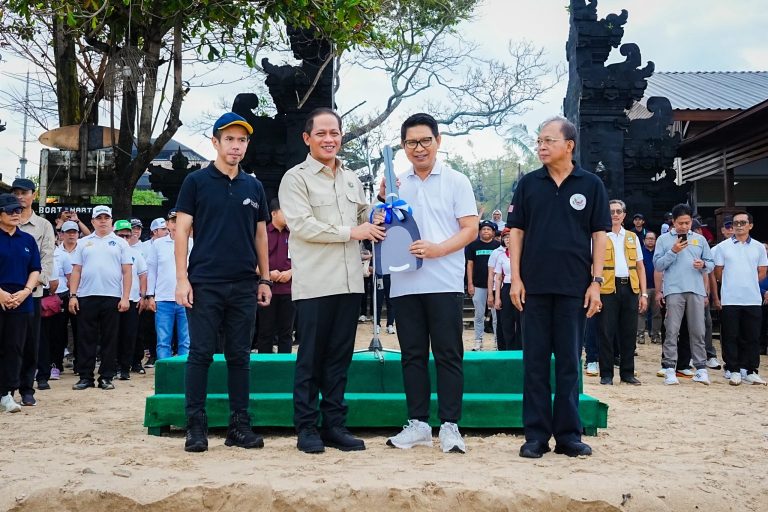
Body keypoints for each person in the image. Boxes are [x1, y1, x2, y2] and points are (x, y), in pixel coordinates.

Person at [279, 107, 384, 454]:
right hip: (314, 284)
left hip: (350, 283)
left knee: (340, 359)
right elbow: (303, 224)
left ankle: (334, 425)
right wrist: (352, 231)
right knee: (310, 358)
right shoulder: (295, 178)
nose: (329, 139)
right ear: (307, 138)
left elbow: (363, 215)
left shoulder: (351, 177)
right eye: (321, 133)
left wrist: (381, 204)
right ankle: (306, 428)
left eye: (334, 133)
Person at [507, 116, 609, 459]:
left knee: (568, 362)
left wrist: (596, 282)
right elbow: (517, 232)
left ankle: (568, 435)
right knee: (534, 362)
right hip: (533, 288)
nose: (541, 146)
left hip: (573, 288)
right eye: (538, 141)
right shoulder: (528, 185)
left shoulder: (591, 184)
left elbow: (599, 235)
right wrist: (516, 278)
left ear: (569, 145)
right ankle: (535, 435)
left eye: (548, 140)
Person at [176, 112, 272, 453]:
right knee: (200, 354)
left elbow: (261, 235)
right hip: (204, 283)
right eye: (229, 139)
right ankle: (195, 426)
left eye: (242, 139)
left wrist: (264, 278)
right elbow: (182, 231)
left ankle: (239, 426)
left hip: (244, 284)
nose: (236, 145)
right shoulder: (196, 183)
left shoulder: (254, 186)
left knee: (239, 356)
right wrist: (182, 279)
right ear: (215, 142)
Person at [383, 113, 478, 455]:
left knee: (449, 354)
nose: (419, 148)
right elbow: (388, 228)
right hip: (404, 282)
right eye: (411, 143)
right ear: (403, 147)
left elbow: (469, 228)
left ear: (438, 141)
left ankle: (450, 425)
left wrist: (438, 249)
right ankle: (419, 423)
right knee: (412, 355)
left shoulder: (456, 180)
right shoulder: (396, 185)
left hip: (444, 281)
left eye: (425, 141)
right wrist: (381, 210)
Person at [68, 205, 132, 391]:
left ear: (111, 220)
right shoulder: (83, 242)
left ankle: (106, 376)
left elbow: (127, 272)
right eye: (99, 217)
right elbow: (76, 270)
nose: (103, 220)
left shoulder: (121, 243)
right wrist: (73, 295)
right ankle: (85, 376)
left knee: (110, 339)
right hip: (87, 295)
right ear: (93, 221)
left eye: (106, 217)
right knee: (85, 338)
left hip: (112, 296)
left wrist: (125, 297)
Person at [653, 203, 714, 386]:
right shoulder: (663, 240)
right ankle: (670, 368)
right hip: (673, 289)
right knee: (671, 329)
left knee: (698, 330)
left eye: (687, 223)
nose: (684, 226)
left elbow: (711, 263)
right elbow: (658, 265)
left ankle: (701, 368)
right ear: (673, 221)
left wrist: (703, 265)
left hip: (696, 289)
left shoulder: (700, 239)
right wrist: (673, 251)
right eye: (681, 223)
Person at [12, 178, 56, 407]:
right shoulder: (6, 222)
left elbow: (47, 258)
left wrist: (32, 285)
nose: (20, 197)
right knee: (8, 343)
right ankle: (6, 389)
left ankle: (27, 388)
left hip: (32, 294)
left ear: (33, 194)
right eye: (16, 192)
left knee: (30, 343)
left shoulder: (43, 225)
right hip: (5, 295)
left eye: (24, 192)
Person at [713, 211, 768, 386]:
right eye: (735, 223)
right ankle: (733, 369)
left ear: (750, 225)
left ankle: (750, 370)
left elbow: (762, 271)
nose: (738, 226)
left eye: (742, 222)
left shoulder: (759, 247)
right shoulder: (723, 247)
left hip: (752, 298)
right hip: (730, 298)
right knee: (731, 335)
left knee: (752, 336)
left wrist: (747, 282)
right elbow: (718, 272)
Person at [597, 199, 647, 385]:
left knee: (628, 332)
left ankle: (627, 373)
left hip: (630, 287)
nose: (615, 214)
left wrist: (643, 294)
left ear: (624, 215)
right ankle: (606, 374)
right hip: (607, 288)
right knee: (606, 332)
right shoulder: (599, 236)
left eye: (619, 211)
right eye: (611, 211)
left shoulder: (632, 238)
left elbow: (640, 267)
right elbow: (592, 265)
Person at [0, 194, 41, 413]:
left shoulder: (27, 240)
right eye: (10, 211)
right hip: (0, 296)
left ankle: (7, 394)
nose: (16, 214)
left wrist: (26, 291)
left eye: (18, 210)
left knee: (15, 348)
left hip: (22, 300)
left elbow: (35, 269)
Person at [146, 209, 191, 361]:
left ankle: (185, 373)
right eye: (173, 221)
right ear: (167, 224)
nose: (176, 224)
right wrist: (150, 295)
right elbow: (151, 271)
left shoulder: (192, 242)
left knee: (186, 340)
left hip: (186, 299)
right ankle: (164, 376)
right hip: (163, 298)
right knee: (163, 341)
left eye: (179, 220)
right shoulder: (157, 244)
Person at [256, 198, 294, 354]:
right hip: (267, 290)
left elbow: (304, 260)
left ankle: (285, 369)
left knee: (286, 333)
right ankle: (265, 368)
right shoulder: (262, 234)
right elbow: (252, 263)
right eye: (285, 211)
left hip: (289, 290)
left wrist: (291, 272)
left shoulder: (294, 234)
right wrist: (267, 274)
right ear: (273, 213)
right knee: (266, 332)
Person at [113, 220, 147, 380]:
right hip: (111, 298)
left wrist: (143, 296)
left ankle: (125, 368)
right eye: (121, 235)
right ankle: (113, 366)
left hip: (132, 299)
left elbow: (143, 275)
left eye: (127, 235)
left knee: (129, 335)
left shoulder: (136, 254)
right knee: (111, 335)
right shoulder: (109, 251)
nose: (125, 238)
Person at [466, 220, 501, 351]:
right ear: (479, 231)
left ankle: (498, 342)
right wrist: (470, 283)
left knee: (496, 316)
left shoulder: (498, 246)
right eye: (483, 229)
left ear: (493, 232)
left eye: (489, 229)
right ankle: (478, 341)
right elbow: (470, 265)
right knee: (479, 314)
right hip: (478, 285)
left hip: (495, 287)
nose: (486, 231)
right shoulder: (472, 246)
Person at [494, 228, 521, 350]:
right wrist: (497, 297)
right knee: (507, 320)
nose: (508, 239)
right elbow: (498, 278)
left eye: (510, 237)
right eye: (505, 237)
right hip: (506, 288)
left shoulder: (523, 254)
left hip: (520, 288)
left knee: (521, 320)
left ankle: (521, 348)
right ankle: (509, 348)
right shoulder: (501, 256)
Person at [637, 230, 662, 345]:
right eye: (648, 238)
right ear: (644, 240)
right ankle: (640, 334)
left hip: (657, 287)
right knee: (641, 312)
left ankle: (655, 334)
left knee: (657, 313)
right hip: (643, 288)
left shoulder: (659, 253)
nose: (651, 240)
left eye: (653, 238)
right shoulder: (640, 252)